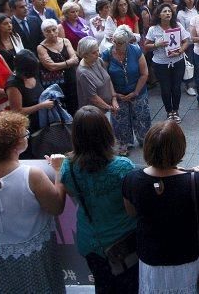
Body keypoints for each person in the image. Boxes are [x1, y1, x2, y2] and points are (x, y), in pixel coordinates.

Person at [0, 112, 66, 292]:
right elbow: (56, 207)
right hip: (35, 253)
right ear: (14, 145)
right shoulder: (31, 174)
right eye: (25, 134)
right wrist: (59, 171)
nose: (27, 136)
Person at [122, 121, 199, 293]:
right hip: (187, 260)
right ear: (180, 148)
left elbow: (131, 213)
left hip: (150, 261)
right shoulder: (196, 182)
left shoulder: (131, 180)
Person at [59, 106, 138, 292]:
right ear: (106, 132)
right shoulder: (123, 167)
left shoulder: (68, 168)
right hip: (124, 243)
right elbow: (132, 206)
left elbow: (71, 194)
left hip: (91, 243)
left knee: (102, 285)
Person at [103, 25, 151, 155]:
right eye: (115, 42)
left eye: (121, 43)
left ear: (128, 41)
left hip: (137, 91)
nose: (117, 45)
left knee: (142, 117)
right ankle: (123, 143)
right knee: (120, 121)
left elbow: (144, 73)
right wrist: (114, 95)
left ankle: (145, 139)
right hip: (117, 94)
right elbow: (106, 77)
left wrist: (135, 92)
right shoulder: (107, 54)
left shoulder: (135, 50)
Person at [146, 3, 190, 122]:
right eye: (164, 11)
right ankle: (168, 111)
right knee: (165, 88)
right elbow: (146, 46)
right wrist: (157, 44)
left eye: (169, 11)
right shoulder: (153, 29)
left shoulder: (178, 25)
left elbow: (186, 41)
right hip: (160, 63)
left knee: (176, 87)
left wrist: (180, 50)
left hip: (177, 61)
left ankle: (175, 110)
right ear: (159, 15)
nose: (167, 13)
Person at [6, 50, 54, 154]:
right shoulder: (13, 84)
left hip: (42, 122)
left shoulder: (33, 75)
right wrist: (41, 106)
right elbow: (17, 111)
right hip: (27, 127)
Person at [37, 19, 79, 115]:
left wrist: (60, 65)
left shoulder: (65, 41)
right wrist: (68, 63)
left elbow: (75, 59)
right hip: (55, 83)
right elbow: (51, 67)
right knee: (60, 108)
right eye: (48, 31)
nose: (52, 33)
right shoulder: (41, 47)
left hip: (71, 79)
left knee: (74, 105)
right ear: (43, 33)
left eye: (54, 29)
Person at [76, 37, 117, 114]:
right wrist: (110, 108)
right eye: (94, 53)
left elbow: (108, 79)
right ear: (85, 55)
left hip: (107, 106)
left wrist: (114, 98)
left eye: (98, 50)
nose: (98, 54)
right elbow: (93, 98)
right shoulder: (83, 73)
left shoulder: (98, 60)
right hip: (95, 113)